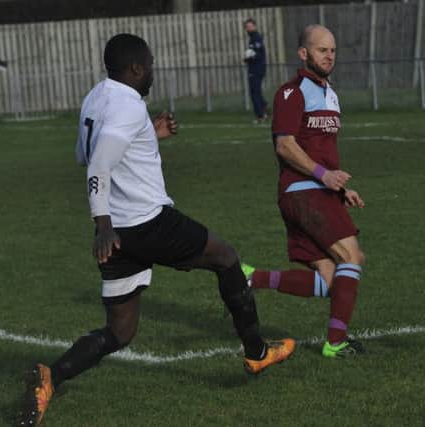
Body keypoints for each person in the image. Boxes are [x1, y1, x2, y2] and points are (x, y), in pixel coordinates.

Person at [19, 33, 295, 427]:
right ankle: (257, 352)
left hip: (120, 237)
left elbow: (86, 153)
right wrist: (102, 226)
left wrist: (149, 133)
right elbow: (98, 165)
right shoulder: (128, 106)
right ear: (136, 68)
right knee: (226, 257)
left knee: (120, 332)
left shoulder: (96, 98)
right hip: (144, 222)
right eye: (149, 65)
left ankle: (51, 378)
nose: (152, 72)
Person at [242, 25, 367, 358]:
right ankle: (336, 344)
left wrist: (340, 189)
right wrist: (324, 176)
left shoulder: (331, 93)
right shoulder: (291, 92)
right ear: (303, 54)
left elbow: (323, 151)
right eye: (321, 50)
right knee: (352, 258)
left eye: (333, 50)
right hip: (302, 191)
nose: (329, 56)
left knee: (331, 280)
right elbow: (284, 145)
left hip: (318, 191)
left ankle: (251, 279)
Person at [243, 18, 268, 123]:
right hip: (256, 68)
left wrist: (248, 58)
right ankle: (264, 106)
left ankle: (260, 115)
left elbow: (258, 54)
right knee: (256, 91)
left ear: (255, 26)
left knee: (254, 92)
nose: (248, 29)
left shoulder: (256, 37)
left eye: (250, 26)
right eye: (246, 27)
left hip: (256, 69)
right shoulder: (253, 37)